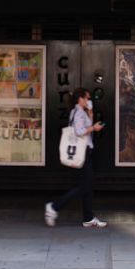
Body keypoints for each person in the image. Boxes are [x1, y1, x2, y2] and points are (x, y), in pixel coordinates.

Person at [44, 88, 107, 228]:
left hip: (85, 152)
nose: (89, 101)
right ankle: (54, 207)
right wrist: (94, 129)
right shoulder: (78, 112)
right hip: (83, 153)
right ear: (81, 99)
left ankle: (88, 218)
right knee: (84, 186)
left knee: (88, 186)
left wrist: (90, 113)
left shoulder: (77, 111)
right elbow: (79, 132)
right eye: (87, 98)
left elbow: (85, 126)